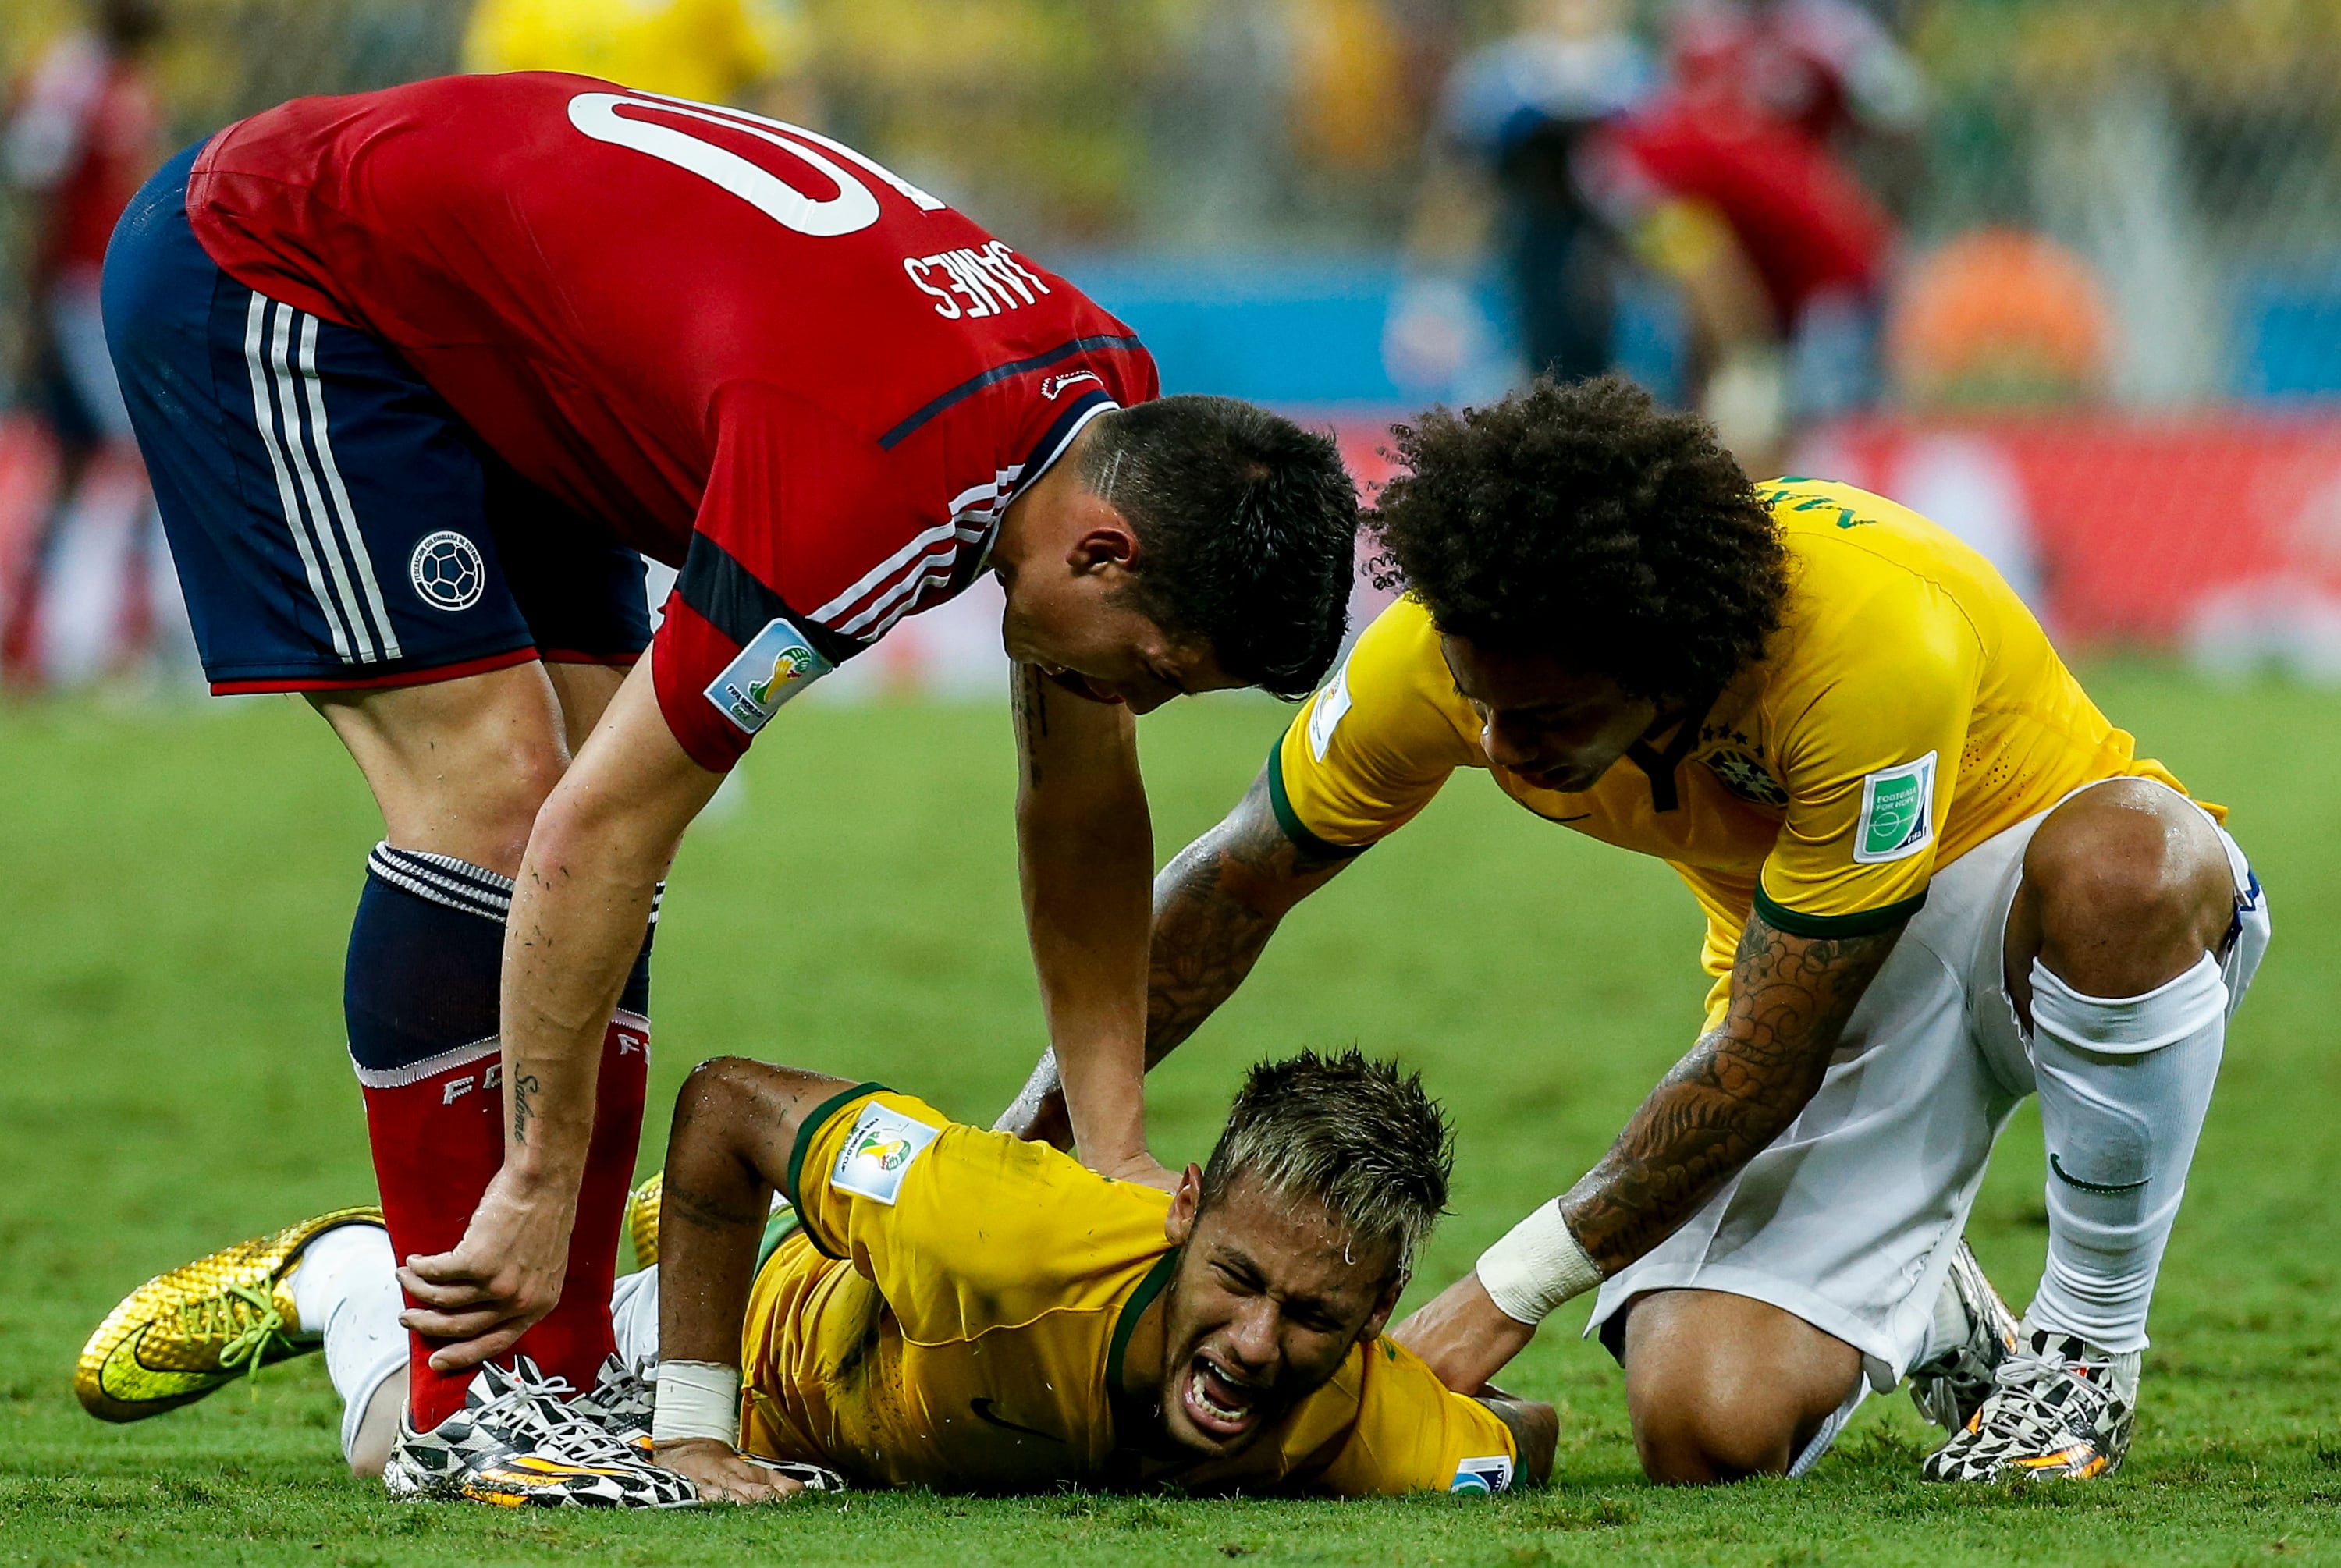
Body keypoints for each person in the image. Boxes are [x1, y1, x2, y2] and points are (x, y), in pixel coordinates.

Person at [98, 73, 1359, 1502]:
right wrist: (534, 1174)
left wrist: (1113, 1148)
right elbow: (594, 830)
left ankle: (510, 1349)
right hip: (285, 265)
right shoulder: (863, 494)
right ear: (1107, 554)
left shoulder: (1107, 412)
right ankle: (468, 1400)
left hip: (516, 342)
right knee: (513, 796)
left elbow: (1078, 811)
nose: (1131, 702)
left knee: (584, 813)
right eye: (1154, 671)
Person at [1004, 376, 2268, 1485]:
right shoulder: (1453, 656)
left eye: (1549, 712)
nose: (1503, 746)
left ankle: (2082, 1349)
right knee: (1702, 1427)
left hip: (2041, 921)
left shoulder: (1862, 644)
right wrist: (1031, 1141)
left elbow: (1764, 1062)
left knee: (2123, 862)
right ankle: (1930, 1310)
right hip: (1824, 974)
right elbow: (1232, 887)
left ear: (1671, 660)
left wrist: (1500, 1297)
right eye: (1480, 696)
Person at [78, 1051, 1556, 1506]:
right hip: (765, 1350)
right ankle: (341, 1276)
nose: (1251, 1340)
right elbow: (724, 1102)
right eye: (1236, 1277)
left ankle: (673, 1231)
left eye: (1312, 1317)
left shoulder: (1373, 1427)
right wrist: (697, 1427)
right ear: (1178, 1214)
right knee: (432, 1454)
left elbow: (1514, 1441)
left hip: (857, 1410)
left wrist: (1473, 1408)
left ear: (1369, 1325)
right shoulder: (1013, 1230)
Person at [2, 0, 166, 686]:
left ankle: (81, 639)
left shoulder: (120, 76)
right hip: (81, 291)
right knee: (135, 452)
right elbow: (34, 176)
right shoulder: (76, 78)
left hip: (105, 287)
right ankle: (88, 642)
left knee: (94, 458)